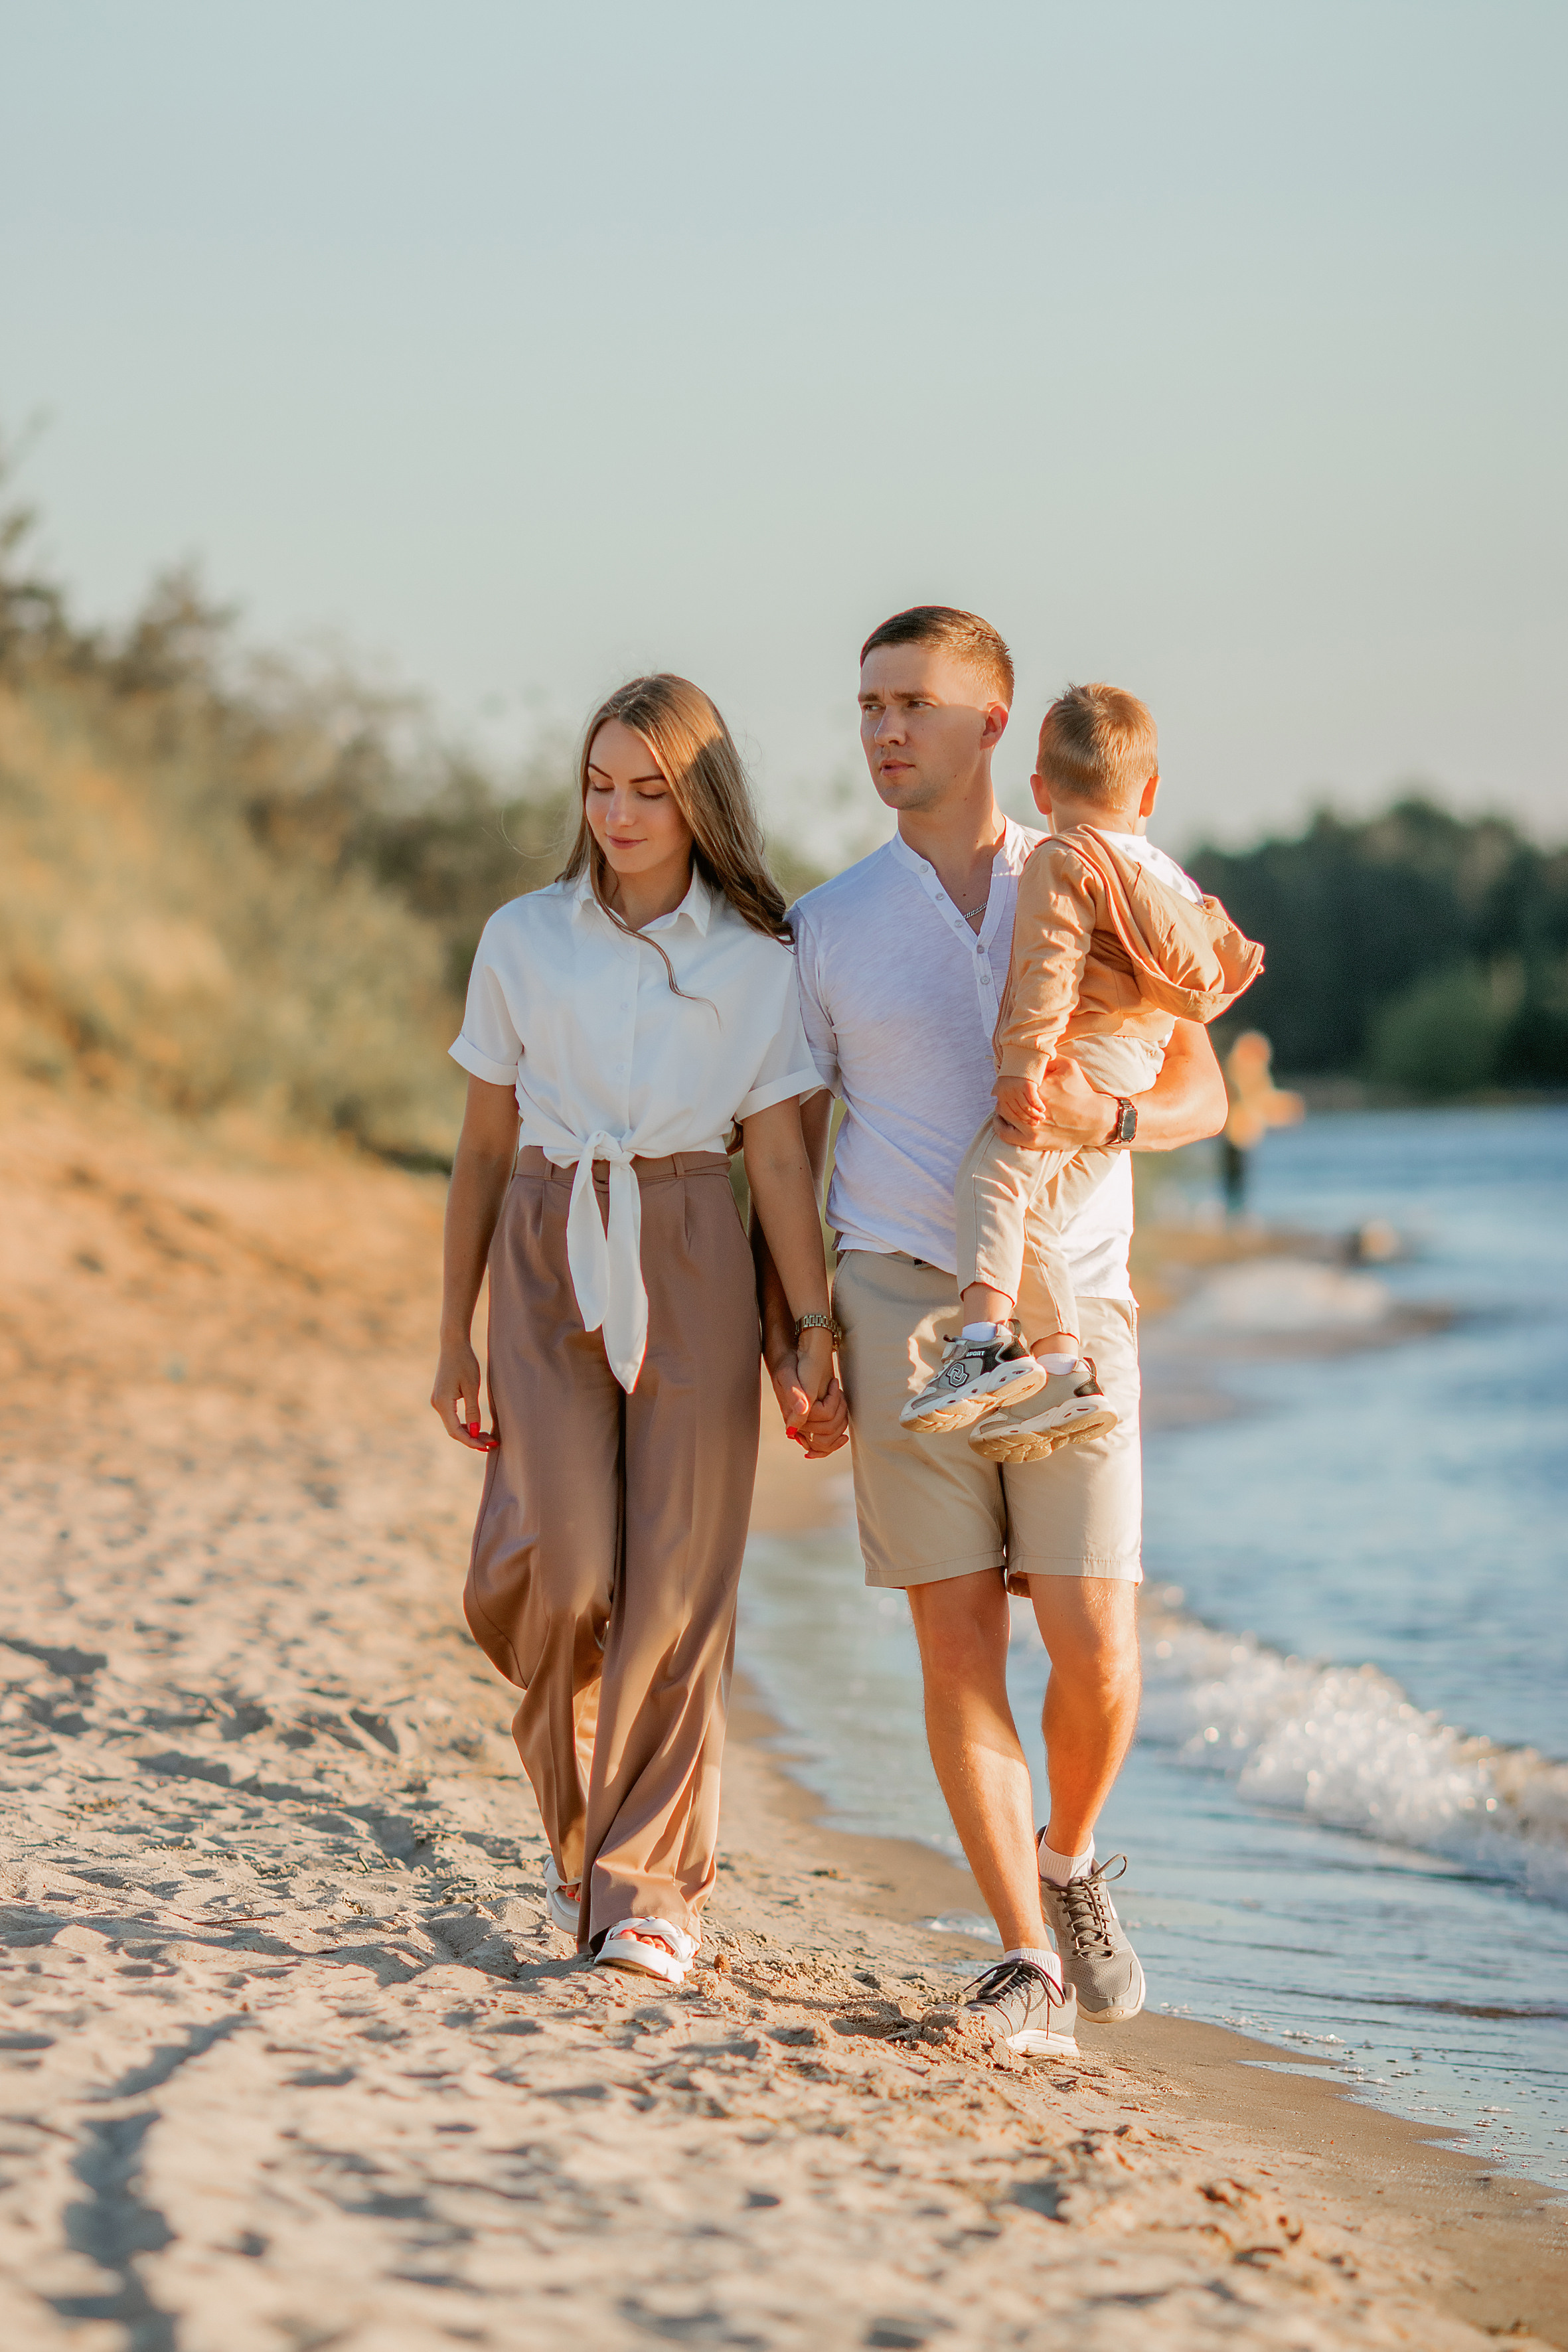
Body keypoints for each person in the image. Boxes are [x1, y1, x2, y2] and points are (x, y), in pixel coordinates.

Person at [760, 607, 1227, 2059]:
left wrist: (1120, 1114)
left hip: (1074, 1300)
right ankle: (1022, 1959)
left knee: (1094, 1643)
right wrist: (802, 1319)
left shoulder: (1095, 869)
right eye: (866, 705)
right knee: (955, 1641)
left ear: (993, 726)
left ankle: (1069, 1855)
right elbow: (785, 1138)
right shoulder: (826, 922)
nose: (883, 728)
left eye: (911, 701)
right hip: (903, 1299)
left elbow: (1204, 1089)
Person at [431, 674, 835, 1988]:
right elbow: (483, 1142)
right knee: (560, 1576)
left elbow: (777, 1164)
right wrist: (455, 1329)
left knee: (675, 1585)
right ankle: (580, 1829)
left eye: (647, 788)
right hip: (548, 1239)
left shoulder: (757, 959)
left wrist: (809, 1320)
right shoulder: (521, 938)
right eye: (599, 785)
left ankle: (650, 1891)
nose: (617, 811)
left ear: (698, 797)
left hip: (692, 1242)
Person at [901, 681, 1262, 1454]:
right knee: (1030, 1212)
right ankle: (1067, 1375)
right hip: (1134, 1065)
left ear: (1039, 789)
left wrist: (1022, 1069)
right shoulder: (1172, 880)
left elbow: (1047, 969)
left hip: (1076, 1059)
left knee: (988, 1179)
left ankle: (985, 1345)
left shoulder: (1064, 860)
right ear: (1151, 791)